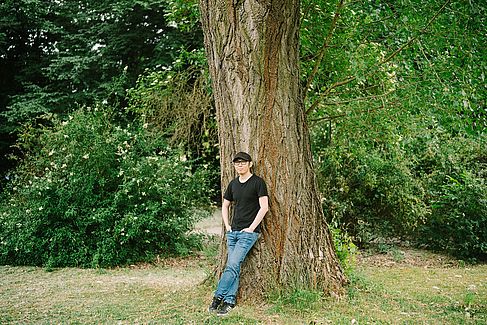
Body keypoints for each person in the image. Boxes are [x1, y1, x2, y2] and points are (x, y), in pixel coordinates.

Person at [208, 151, 269, 316]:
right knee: (234, 267)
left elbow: (264, 207)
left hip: (248, 233)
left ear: (250, 164)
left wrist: (250, 228)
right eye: (237, 163)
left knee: (232, 265)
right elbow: (225, 205)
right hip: (233, 232)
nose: (240, 165)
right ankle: (229, 300)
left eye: (243, 162)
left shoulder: (258, 183)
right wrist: (227, 225)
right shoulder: (233, 184)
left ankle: (217, 297)